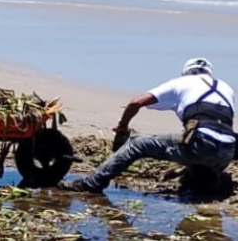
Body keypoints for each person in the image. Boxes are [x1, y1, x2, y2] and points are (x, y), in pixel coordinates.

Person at [65, 58, 236, 194]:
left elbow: (135, 102)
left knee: (137, 144)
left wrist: (122, 127)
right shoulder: (226, 88)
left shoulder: (182, 83)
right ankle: (207, 182)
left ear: (185, 73)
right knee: (200, 156)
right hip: (228, 150)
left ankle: (92, 183)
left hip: (201, 144)